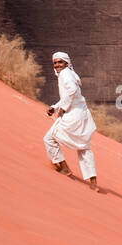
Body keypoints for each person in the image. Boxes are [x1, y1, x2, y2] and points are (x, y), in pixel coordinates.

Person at [44, 51, 98, 191]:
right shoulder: (70, 74)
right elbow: (71, 94)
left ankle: (64, 168)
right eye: (55, 63)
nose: (57, 65)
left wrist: (63, 108)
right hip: (82, 115)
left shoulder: (65, 74)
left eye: (60, 62)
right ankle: (93, 182)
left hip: (73, 115)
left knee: (49, 138)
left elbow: (72, 91)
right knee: (84, 147)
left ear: (66, 63)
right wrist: (55, 108)